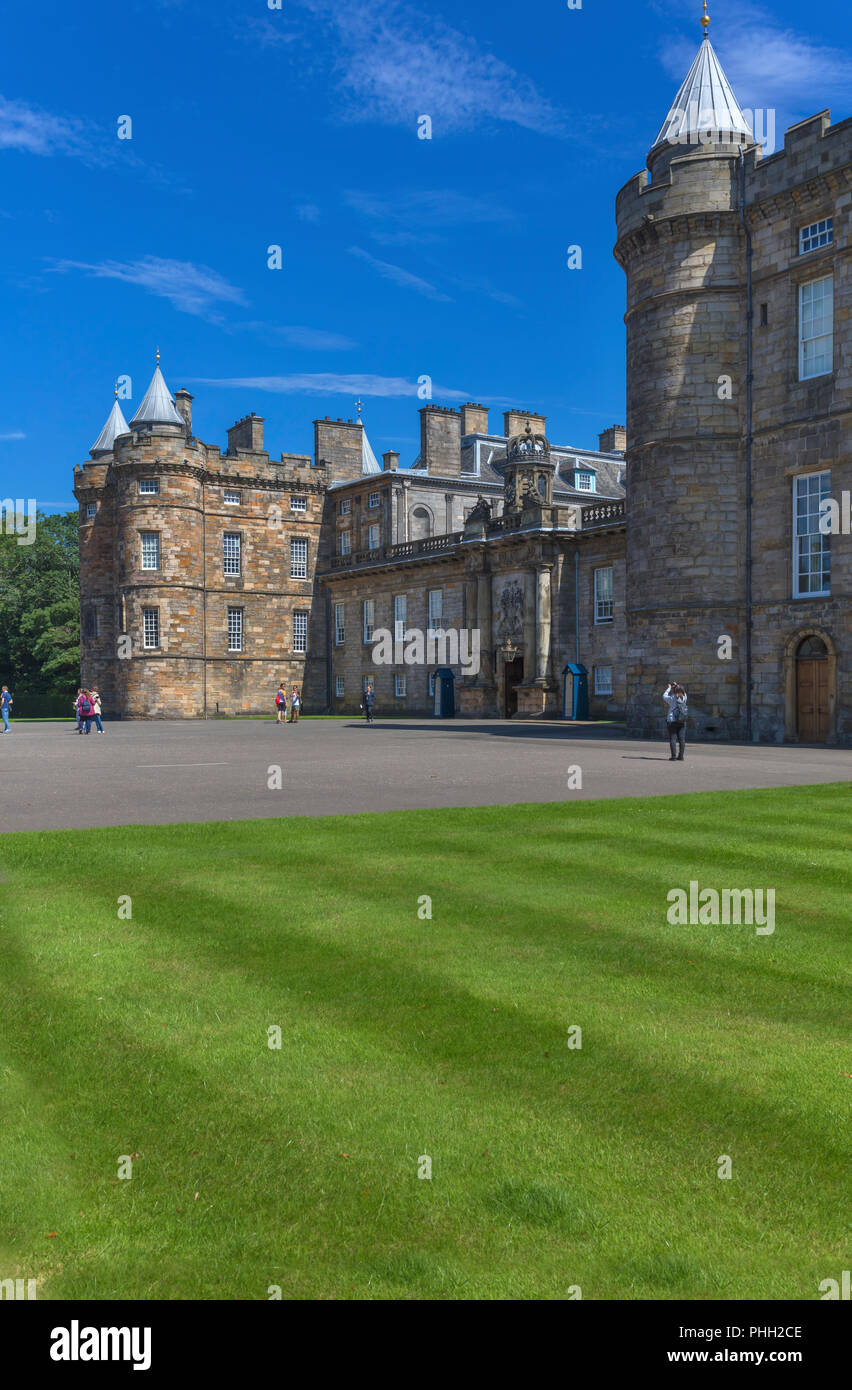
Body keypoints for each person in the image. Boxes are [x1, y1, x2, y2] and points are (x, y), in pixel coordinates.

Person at [662, 680, 687, 761]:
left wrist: (669, 688)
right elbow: (681, 691)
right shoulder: (685, 697)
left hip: (672, 721)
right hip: (682, 720)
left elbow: (664, 696)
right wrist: (677, 686)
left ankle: (673, 757)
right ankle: (681, 756)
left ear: (674, 690)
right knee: (682, 739)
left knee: (673, 739)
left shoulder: (672, 698)